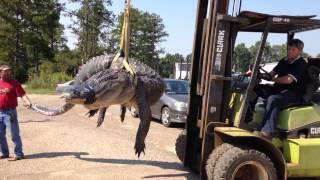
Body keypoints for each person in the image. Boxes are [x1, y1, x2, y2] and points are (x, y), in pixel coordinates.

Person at [252, 39, 307, 139]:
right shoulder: (284, 61)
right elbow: (271, 74)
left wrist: (272, 79)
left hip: (293, 93)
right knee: (256, 89)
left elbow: (288, 80)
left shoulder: (301, 63)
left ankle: (267, 132)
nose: (289, 51)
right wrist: (258, 74)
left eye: (293, 49)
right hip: (279, 89)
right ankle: (251, 120)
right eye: (288, 49)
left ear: (300, 51)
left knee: (274, 99)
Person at [0, 65, 32, 161]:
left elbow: (22, 94)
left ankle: (19, 154)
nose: (8, 73)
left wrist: (27, 102)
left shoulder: (14, 83)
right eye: (5, 71)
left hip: (10, 112)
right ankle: (4, 153)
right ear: (0, 72)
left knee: (14, 134)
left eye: (9, 71)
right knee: (0, 134)